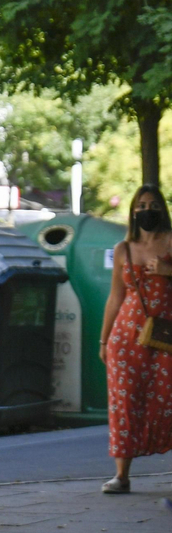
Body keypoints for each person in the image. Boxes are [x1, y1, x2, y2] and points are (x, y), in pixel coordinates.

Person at [98, 185, 172, 494]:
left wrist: (168, 271)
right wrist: (104, 341)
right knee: (124, 402)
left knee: (166, 400)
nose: (146, 210)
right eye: (140, 205)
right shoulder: (123, 249)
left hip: (166, 335)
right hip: (126, 337)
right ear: (132, 211)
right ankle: (122, 475)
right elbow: (116, 296)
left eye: (153, 205)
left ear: (163, 210)